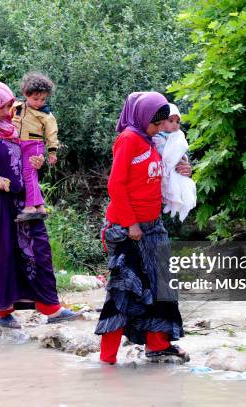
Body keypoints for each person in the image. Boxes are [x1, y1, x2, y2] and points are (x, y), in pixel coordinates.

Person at [0, 82, 81, 329]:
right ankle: (2, 311)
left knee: (38, 247)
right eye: (3, 106)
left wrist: (36, 161)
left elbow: (23, 160)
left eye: (11, 104)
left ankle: (49, 306)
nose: (10, 110)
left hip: (24, 202)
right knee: (3, 251)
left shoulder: (13, 128)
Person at [95, 92, 191, 364]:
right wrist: (130, 223)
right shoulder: (128, 139)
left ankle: (158, 345)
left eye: (163, 124)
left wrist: (186, 168)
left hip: (153, 226)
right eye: (157, 124)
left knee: (162, 284)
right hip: (126, 229)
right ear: (143, 118)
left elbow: (168, 166)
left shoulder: (152, 141)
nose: (161, 129)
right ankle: (107, 359)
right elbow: (116, 185)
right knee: (123, 291)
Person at [11, 72, 59, 222]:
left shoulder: (46, 114)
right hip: (19, 144)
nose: (39, 102)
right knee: (28, 173)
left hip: (34, 144)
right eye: (35, 98)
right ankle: (40, 206)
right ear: (26, 94)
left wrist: (52, 152)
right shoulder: (17, 106)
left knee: (29, 173)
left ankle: (30, 207)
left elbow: (52, 133)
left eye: (43, 99)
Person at [152, 103, 197, 222]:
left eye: (178, 122)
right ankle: (172, 200)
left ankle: (178, 201)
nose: (175, 125)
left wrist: (185, 162)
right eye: (170, 120)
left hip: (175, 169)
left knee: (182, 185)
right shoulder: (157, 137)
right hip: (165, 169)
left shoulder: (178, 136)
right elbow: (164, 152)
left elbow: (181, 149)